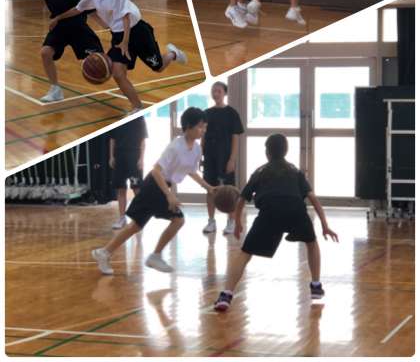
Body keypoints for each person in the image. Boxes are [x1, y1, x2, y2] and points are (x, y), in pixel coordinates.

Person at [214, 133, 338, 312]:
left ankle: (226, 295)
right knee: (311, 243)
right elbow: (313, 198)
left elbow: (241, 199)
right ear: (286, 151)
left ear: (267, 152)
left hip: (269, 213)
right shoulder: (295, 171)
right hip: (296, 211)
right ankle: (316, 285)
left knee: (245, 253)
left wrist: (238, 221)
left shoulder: (260, 171)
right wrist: (325, 226)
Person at [48, 0, 187, 115]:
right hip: (118, 35)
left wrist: (125, 42)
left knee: (158, 67)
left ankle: (173, 53)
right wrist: (58, 18)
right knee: (118, 73)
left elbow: (125, 18)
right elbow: (78, 9)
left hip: (137, 32)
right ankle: (137, 107)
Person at [91, 107, 216, 275]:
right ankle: (155, 256)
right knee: (178, 220)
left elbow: (191, 171)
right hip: (154, 185)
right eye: (200, 126)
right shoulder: (175, 146)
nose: (203, 130)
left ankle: (104, 252)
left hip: (161, 187)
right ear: (188, 126)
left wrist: (208, 187)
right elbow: (156, 170)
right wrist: (169, 195)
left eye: (205, 126)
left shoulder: (196, 149)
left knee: (135, 226)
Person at [6, 0, 103, 103]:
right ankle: (55, 90)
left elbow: (91, 12)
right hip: (59, 28)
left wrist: (109, 26)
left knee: (99, 60)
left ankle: (122, 81)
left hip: (78, 28)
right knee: (45, 53)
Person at [202, 81, 244, 235]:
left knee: (229, 191)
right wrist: (200, 154)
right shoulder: (206, 113)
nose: (215, 94)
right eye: (213, 91)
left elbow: (235, 138)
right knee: (210, 189)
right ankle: (211, 221)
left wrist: (232, 159)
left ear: (225, 93)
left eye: (218, 91)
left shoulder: (232, 113)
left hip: (225, 157)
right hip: (210, 157)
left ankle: (231, 221)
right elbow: (203, 136)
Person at [109, 115, 148, 229]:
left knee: (137, 188)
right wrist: (111, 156)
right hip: (119, 156)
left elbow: (143, 140)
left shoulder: (139, 119)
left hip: (134, 156)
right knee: (120, 188)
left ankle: (139, 218)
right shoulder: (118, 118)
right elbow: (112, 139)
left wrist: (141, 159)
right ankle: (122, 218)